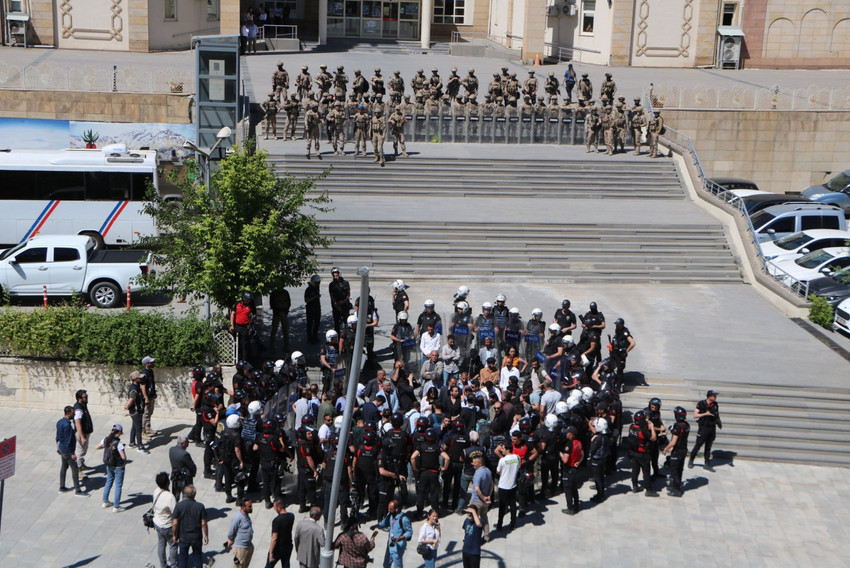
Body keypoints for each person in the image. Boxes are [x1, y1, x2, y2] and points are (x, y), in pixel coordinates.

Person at [172, 485, 209, 568]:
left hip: (183, 537)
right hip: (196, 537)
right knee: (198, 559)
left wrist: (174, 535)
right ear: (194, 494)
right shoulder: (200, 506)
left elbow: (174, 522)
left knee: (183, 559)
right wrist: (206, 535)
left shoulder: (179, 506)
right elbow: (203, 523)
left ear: (184, 494)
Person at [56, 405, 87, 496]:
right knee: (74, 469)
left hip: (62, 449)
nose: (74, 414)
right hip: (67, 451)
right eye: (73, 413)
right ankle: (78, 490)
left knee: (64, 467)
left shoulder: (60, 422)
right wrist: (72, 454)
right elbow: (68, 441)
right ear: (68, 413)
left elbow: (58, 437)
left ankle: (62, 487)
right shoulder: (67, 426)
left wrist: (58, 448)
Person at [97, 424, 127, 511]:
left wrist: (106, 448)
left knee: (109, 481)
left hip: (109, 465)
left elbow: (97, 447)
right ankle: (116, 506)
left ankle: (105, 501)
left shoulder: (106, 439)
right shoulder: (119, 444)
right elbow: (123, 457)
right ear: (120, 432)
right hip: (119, 467)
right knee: (118, 485)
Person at [689, 390, 721, 471]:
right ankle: (691, 460)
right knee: (698, 445)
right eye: (714, 395)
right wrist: (705, 414)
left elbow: (717, 415)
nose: (715, 397)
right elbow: (695, 415)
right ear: (709, 396)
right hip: (703, 428)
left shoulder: (715, 404)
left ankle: (707, 463)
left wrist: (718, 422)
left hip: (712, 427)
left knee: (708, 446)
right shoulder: (701, 403)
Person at [663, 406, 691, 497]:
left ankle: (676, 490)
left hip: (677, 451)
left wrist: (666, 448)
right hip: (683, 450)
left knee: (674, 471)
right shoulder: (687, 425)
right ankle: (676, 487)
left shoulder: (678, 426)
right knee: (679, 470)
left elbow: (673, 442)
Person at [376, 499, 412, 568]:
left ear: (397, 509)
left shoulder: (404, 519)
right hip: (390, 544)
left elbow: (409, 532)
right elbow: (384, 523)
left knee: (397, 566)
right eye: (388, 509)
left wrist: (400, 538)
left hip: (398, 547)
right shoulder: (390, 515)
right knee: (386, 564)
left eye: (391, 509)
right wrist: (377, 526)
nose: (389, 511)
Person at [153, 471, 178, 568]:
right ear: (167, 483)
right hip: (168, 526)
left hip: (158, 523)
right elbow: (175, 513)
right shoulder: (170, 497)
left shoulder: (156, 491)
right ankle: (174, 565)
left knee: (161, 544)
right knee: (173, 545)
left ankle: (163, 565)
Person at [560, 425, 584, 515]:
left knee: (568, 490)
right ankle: (576, 505)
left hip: (568, 470)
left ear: (571, 435)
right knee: (574, 488)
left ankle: (570, 508)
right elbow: (582, 454)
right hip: (575, 469)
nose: (566, 434)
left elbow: (565, 460)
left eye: (568, 433)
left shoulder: (569, 444)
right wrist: (578, 462)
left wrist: (561, 454)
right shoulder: (579, 443)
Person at [495, 441, 519, 530]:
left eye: (503, 448)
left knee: (502, 506)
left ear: (508, 450)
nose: (502, 450)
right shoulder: (517, 457)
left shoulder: (502, 460)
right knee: (513, 504)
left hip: (503, 486)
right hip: (513, 484)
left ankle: (499, 525)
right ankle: (513, 523)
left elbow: (498, 471)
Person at [468, 455, 492, 542]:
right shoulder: (488, 471)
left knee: (473, 519)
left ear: (480, 463)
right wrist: (488, 496)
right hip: (485, 502)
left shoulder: (478, 473)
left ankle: (474, 538)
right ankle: (486, 536)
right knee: (484, 518)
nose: (472, 464)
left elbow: (477, 489)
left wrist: (483, 498)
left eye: (474, 462)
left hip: (476, 501)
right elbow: (491, 484)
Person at [266, 498, 294, 568]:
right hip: (287, 546)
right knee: (286, 565)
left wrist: (271, 553)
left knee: (269, 565)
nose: (274, 509)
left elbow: (274, 537)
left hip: (278, 548)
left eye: (275, 507)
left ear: (279, 507)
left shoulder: (277, 521)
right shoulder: (291, 516)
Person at [227, 499, 255, 568]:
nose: (251, 508)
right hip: (240, 548)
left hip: (248, 546)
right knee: (239, 566)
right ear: (243, 507)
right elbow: (232, 530)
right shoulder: (238, 517)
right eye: (249, 506)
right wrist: (230, 539)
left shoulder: (246, 515)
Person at [170, 435, 198, 502]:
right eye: (187, 442)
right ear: (182, 444)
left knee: (175, 496)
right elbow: (192, 466)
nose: (188, 443)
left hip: (175, 476)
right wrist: (192, 474)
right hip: (184, 479)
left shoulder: (171, 449)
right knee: (186, 497)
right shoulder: (185, 454)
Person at [72, 389, 93, 471]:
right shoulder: (78, 409)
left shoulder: (83, 405)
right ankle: (78, 469)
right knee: (80, 451)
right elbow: (77, 422)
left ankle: (81, 465)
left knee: (83, 450)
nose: (87, 398)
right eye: (85, 397)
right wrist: (82, 436)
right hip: (81, 432)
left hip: (85, 432)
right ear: (79, 398)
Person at [269, 288, 291, 352]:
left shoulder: (286, 292)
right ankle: (272, 347)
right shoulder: (273, 293)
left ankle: (286, 347)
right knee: (274, 330)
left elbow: (289, 303)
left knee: (285, 330)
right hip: (276, 315)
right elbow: (272, 304)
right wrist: (278, 312)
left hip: (284, 314)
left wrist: (285, 312)